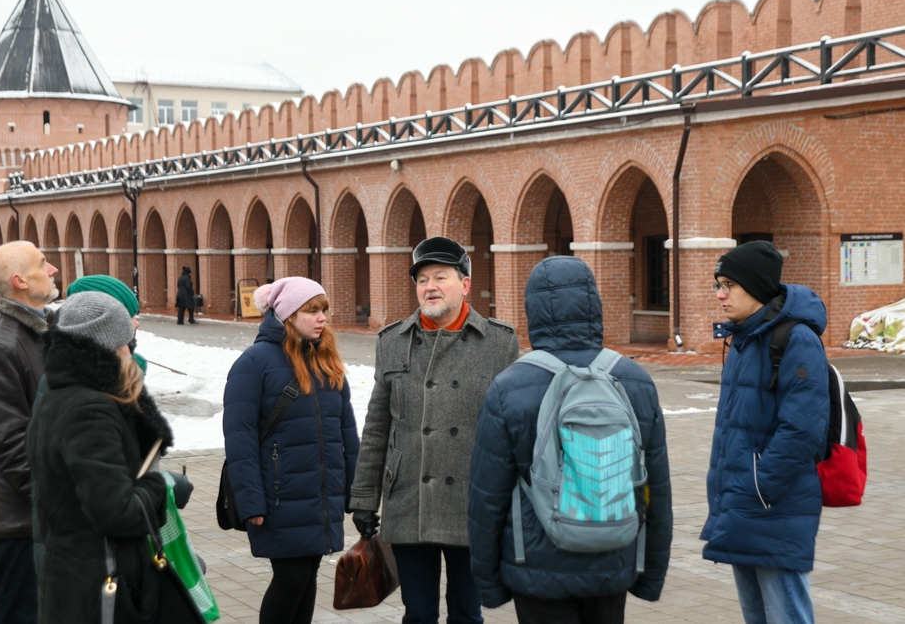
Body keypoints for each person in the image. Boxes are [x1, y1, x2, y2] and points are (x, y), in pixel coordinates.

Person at [467, 256, 673, 624]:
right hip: (614, 558)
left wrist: (489, 583)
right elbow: (654, 487)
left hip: (534, 565)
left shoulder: (509, 388)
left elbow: (487, 497)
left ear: (533, 310)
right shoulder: (635, 380)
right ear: (594, 304)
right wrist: (650, 574)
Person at [349, 236, 520, 624]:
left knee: (467, 611)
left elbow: (514, 431)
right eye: (422, 279)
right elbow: (377, 426)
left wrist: (513, 500)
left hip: (472, 503)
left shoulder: (499, 343)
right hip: (410, 500)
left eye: (440, 277)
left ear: (465, 284)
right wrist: (364, 498)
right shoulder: (392, 341)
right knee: (419, 613)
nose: (430, 287)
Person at [25, 291, 198, 624]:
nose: (132, 345)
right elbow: (117, 512)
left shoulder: (59, 395)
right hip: (98, 584)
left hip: (73, 577)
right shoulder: (90, 409)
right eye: (127, 341)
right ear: (110, 345)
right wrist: (156, 485)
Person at [701, 240, 829, 624]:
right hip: (741, 504)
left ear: (755, 286)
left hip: (772, 507)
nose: (720, 295)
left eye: (728, 284)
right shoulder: (742, 338)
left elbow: (803, 430)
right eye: (717, 285)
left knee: (786, 615)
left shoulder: (795, 339)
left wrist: (759, 486)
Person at [223, 277, 359, 624]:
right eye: (311, 310)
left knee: (308, 576)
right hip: (279, 496)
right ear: (287, 314)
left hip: (320, 495)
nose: (321, 318)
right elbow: (240, 439)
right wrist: (251, 500)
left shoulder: (326, 360)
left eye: (324, 310)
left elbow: (347, 433)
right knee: (291, 578)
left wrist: (356, 492)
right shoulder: (254, 363)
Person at [29, 274, 148, 574]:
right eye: (128, 316)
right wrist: (161, 488)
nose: (136, 324)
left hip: (93, 550)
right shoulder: (86, 400)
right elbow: (109, 496)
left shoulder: (92, 383)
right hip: (91, 556)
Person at [0, 240, 58, 624]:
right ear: (20, 280)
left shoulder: (39, 330)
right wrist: (58, 497)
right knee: (17, 613)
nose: (52, 268)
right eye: (42, 263)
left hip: (41, 513)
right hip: (22, 519)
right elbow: (5, 444)